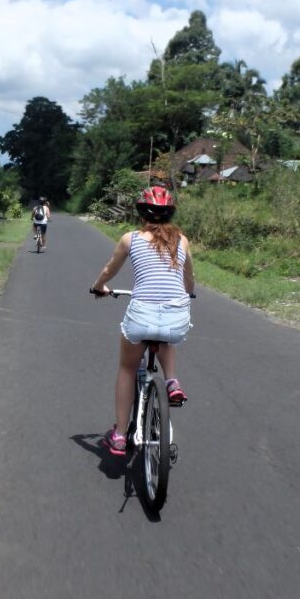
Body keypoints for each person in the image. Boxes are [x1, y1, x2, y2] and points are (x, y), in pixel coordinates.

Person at [90, 186, 194, 456]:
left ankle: (121, 435)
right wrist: (188, 293)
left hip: (141, 314)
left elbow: (108, 270)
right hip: (175, 313)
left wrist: (99, 286)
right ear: (170, 213)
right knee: (167, 333)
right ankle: (172, 382)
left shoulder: (130, 239)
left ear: (140, 213)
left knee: (127, 369)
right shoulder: (181, 241)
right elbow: (189, 279)